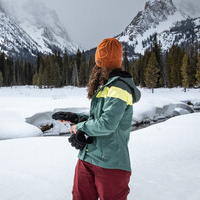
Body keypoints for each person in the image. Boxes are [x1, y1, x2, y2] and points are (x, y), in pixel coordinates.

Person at [54, 38, 141, 200]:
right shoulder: (107, 86)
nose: (97, 66)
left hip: (110, 163)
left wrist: (80, 127)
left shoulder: (119, 88)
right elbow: (99, 118)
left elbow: (107, 124)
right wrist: (77, 119)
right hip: (88, 157)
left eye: (100, 62)